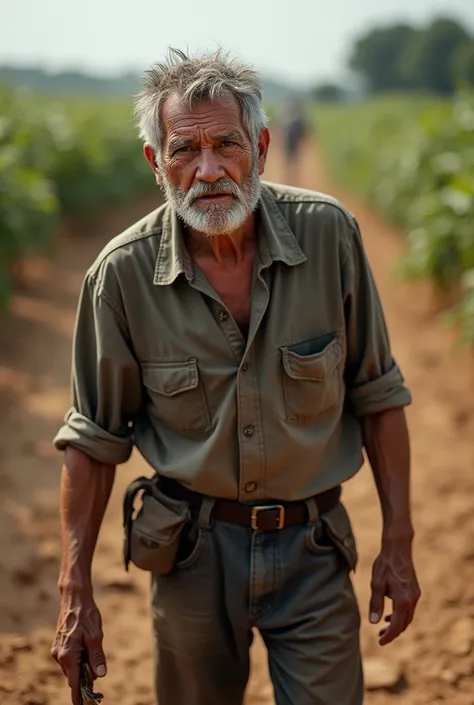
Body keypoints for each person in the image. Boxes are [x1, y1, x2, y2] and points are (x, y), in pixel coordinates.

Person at [51, 47, 421, 705]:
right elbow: (93, 438)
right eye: (185, 151)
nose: (210, 169)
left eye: (228, 144)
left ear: (263, 145)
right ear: (155, 162)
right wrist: (74, 589)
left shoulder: (330, 236)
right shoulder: (121, 276)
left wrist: (399, 540)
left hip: (313, 546)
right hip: (190, 553)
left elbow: (378, 392)